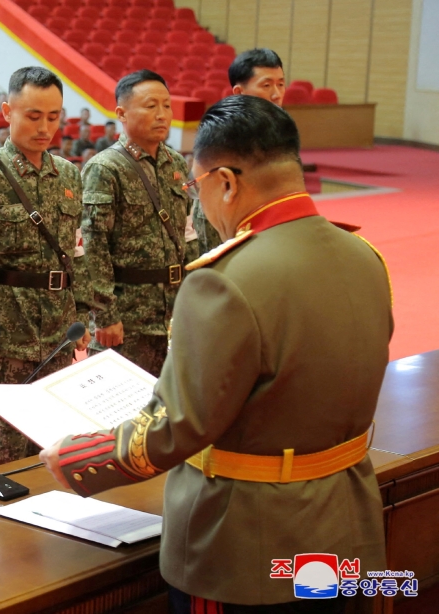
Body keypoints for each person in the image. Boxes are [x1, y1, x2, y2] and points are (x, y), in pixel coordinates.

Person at [41, 95, 391, 613]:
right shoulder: (365, 257)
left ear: (225, 182)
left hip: (247, 540)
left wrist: (76, 458)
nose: (197, 203)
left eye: (196, 187)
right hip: (343, 527)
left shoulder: (224, 282)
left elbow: (180, 425)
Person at [0, 66, 92, 467]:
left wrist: (82, 315)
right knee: (6, 442)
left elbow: (75, 252)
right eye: (33, 115)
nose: (45, 127)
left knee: (55, 438)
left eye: (53, 116)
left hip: (59, 328)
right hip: (6, 327)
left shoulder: (68, 174)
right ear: (7, 111)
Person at [80, 70, 191, 377]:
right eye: (150, 106)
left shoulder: (176, 164)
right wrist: (105, 314)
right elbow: (93, 247)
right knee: (121, 416)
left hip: (172, 314)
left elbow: (188, 234)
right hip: (127, 317)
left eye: (166, 106)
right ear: (122, 113)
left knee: (168, 413)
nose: (162, 115)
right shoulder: (105, 168)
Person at [193, 48, 289, 256]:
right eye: (266, 85)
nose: (276, 94)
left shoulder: (281, 129)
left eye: (281, 84)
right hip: (225, 220)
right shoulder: (221, 131)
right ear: (239, 92)